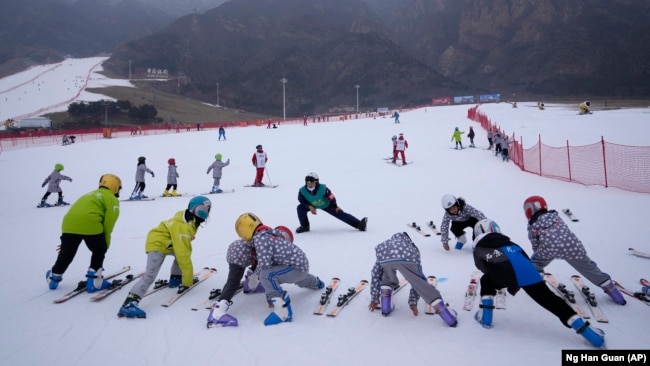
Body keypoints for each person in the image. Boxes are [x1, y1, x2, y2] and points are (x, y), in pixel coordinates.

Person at [471, 219, 605, 348]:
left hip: (503, 274)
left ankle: (486, 318)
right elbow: (524, 258)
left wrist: (500, 274)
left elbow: (481, 267)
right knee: (552, 301)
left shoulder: (478, 244)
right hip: (528, 273)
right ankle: (591, 334)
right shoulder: (509, 242)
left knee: (486, 280)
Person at [117, 196, 212, 318]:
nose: (208, 212)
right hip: (157, 244)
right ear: (200, 209)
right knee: (150, 274)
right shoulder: (183, 226)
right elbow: (184, 255)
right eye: (207, 209)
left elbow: (182, 251)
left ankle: (175, 279)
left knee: (180, 254)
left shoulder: (190, 220)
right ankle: (129, 303)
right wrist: (187, 281)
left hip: (168, 243)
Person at [523, 196, 626, 305]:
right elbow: (565, 231)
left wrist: (537, 253)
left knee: (535, 264)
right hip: (573, 247)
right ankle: (614, 293)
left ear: (529, 210)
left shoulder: (533, 225)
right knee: (590, 269)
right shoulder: (555, 216)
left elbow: (534, 243)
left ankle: (539, 287)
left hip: (549, 248)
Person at [233, 213, 324, 326]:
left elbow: (265, 266)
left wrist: (265, 288)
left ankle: (283, 312)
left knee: (266, 275)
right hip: (300, 265)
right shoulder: (267, 234)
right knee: (298, 277)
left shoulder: (260, 239)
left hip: (296, 267)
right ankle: (316, 283)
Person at [45, 174, 122, 292]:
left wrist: (65, 243)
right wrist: (105, 242)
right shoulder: (112, 199)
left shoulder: (87, 195)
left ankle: (54, 278)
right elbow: (109, 222)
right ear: (115, 187)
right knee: (98, 250)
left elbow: (75, 213)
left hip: (68, 224)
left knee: (67, 252)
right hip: (91, 223)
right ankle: (94, 282)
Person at [207, 226, 294, 327]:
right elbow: (266, 275)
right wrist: (270, 297)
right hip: (239, 254)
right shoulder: (270, 246)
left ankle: (251, 285)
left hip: (239, 248)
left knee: (258, 266)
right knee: (233, 281)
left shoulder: (267, 238)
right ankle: (217, 311)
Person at [368, 232, 458, 327]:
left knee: (386, 273)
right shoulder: (411, 247)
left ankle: (386, 307)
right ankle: (449, 318)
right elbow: (417, 280)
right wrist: (413, 302)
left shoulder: (386, 246)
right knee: (419, 283)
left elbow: (375, 274)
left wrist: (374, 298)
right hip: (407, 258)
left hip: (385, 258)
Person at [295, 172, 367, 233]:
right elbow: (301, 199)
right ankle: (305, 226)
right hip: (312, 205)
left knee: (339, 213)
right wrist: (309, 206)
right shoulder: (302, 190)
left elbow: (331, 197)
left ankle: (359, 225)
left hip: (325, 204)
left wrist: (335, 206)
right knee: (300, 208)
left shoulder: (323, 189)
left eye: (312, 182)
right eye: (308, 182)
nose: (309, 184)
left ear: (316, 182)